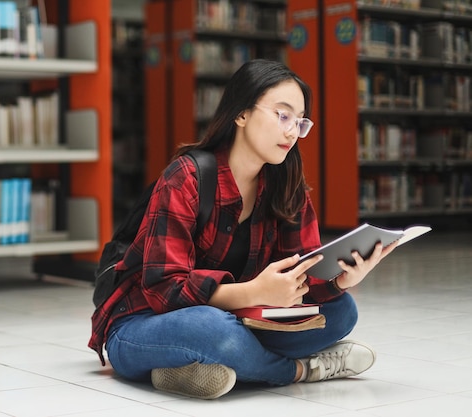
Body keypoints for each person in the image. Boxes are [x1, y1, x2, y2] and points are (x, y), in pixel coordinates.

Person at [89, 59, 397, 399]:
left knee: (341, 312)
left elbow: (298, 277)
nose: (292, 131)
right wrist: (253, 293)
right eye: (283, 115)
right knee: (212, 328)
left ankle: (192, 368)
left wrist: (339, 280)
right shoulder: (186, 178)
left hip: (241, 317)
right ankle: (302, 369)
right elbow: (163, 289)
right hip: (143, 324)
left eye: (300, 121)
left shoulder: (286, 185)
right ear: (242, 114)